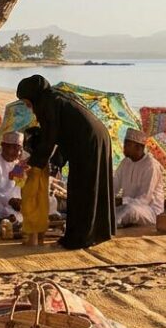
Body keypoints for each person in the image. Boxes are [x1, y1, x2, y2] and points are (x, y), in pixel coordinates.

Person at [17, 75, 116, 250]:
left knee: (82, 187)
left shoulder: (46, 104)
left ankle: (80, 237)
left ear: (33, 95)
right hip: (96, 137)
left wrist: (32, 161)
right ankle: (95, 232)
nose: (28, 106)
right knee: (90, 185)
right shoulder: (54, 98)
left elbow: (49, 138)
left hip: (87, 140)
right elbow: (59, 134)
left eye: (27, 102)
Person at [113, 128, 165, 227]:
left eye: (128, 145)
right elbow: (114, 185)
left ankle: (111, 225)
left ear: (138, 147)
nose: (124, 147)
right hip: (127, 205)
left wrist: (121, 201)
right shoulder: (125, 162)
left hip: (150, 211)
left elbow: (144, 200)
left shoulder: (151, 166)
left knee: (129, 209)